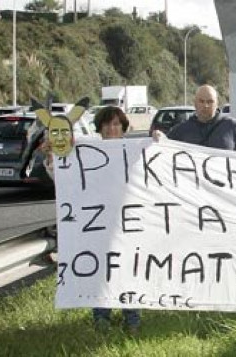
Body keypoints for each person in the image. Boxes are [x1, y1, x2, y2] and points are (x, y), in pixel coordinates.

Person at [43, 106, 141, 334]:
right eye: (107, 124)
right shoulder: (87, 151)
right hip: (96, 226)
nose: (111, 128)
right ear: (100, 128)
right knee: (101, 272)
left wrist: (160, 141)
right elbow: (63, 177)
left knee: (128, 271)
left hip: (128, 225)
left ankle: (132, 320)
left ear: (123, 127)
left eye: (116, 124)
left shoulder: (136, 151)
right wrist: (53, 156)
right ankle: (101, 320)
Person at [166, 85, 236, 152]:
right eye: (201, 101)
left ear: (217, 104)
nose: (205, 105)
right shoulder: (182, 129)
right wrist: (158, 137)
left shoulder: (232, 126)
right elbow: (163, 146)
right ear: (195, 103)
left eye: (210, 102)